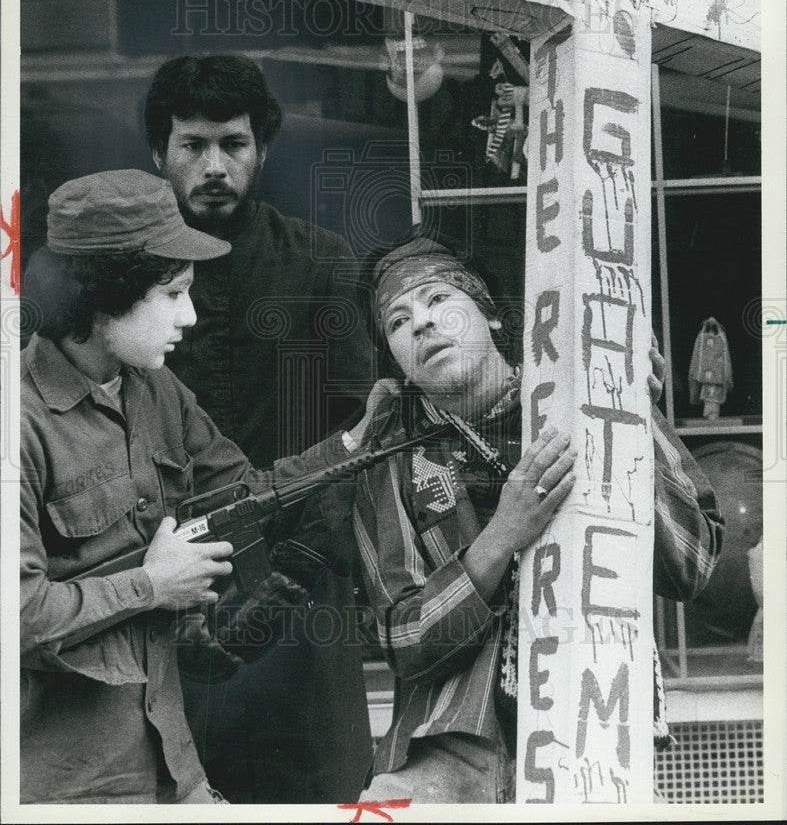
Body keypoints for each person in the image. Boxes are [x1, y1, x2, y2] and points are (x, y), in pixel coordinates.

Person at [348, 233, 725, 803]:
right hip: (449, 759)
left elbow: (692, 564)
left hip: (595, 736)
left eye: (437, 300)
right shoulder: (391, 460)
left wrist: (628, 412)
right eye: (397, 322)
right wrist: (500, 537)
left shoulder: (583, 394)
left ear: (492, 317)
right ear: (396, 358)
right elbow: (403, 639)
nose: (421, 324)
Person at [20, 170, 354, 804]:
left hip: (174, 765)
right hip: (63, 786)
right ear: (104, 294)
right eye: (172, 294)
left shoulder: (154, 389)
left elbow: (246, 493)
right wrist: (153, 586)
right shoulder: (19, 422)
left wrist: (353, 449)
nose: (191, 316)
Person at [144, 55, 374, 803]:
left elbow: (359, 434)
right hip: (167, 594)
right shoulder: (127, 280)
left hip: (301, 591)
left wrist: (295, 572)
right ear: (160, 153)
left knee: (314, 795)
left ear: (262, 150)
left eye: (232, 144)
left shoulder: (320, 262)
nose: (214, 165)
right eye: (192, 145)